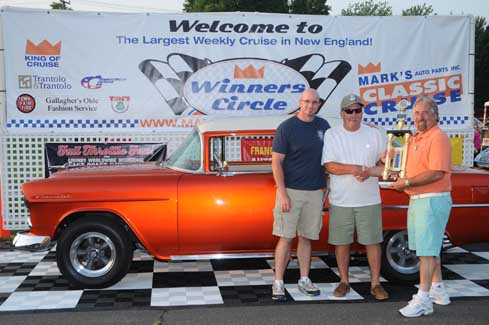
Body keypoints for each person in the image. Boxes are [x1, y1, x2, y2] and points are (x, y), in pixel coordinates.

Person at [321, 93, 389, 301]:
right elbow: (330, 165)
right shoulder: (332, 134)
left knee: (373, 242)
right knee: (342, 243)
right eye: (349, 110)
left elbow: (385, 166)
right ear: (342, 113)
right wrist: (356, 169)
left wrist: (368, 171)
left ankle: (376, 284)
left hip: (369, 199)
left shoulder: (375, 134)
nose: (354, 114)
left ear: (362, 112)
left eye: (357, 110)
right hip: (341, 199)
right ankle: (344, 281)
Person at [390, 96, 452, 318]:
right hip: (418, 200)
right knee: (429, 248)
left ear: (435, 114)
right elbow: (398, 166)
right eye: (416, 113)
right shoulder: (416, 138)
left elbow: (436, 172)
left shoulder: (438, 138)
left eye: (425, 112)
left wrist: (405, 183)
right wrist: (383, 164)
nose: (420, 117)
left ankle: (424, 300)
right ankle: (438, 289)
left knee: (426, 252)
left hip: (432, 199)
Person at [271, 88, 330, 301]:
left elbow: (330, 157)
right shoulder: (287, 127)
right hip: (291, 191)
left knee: (306, 237)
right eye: (307, 102)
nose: (310, 106)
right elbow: (276, 162)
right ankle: (278, 281)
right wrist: (283, 193)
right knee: (286, 237)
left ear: (319, 104)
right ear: (300, 102)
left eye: (315, 102)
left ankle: (304, 278)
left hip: (315, 191)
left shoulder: (323, 126)